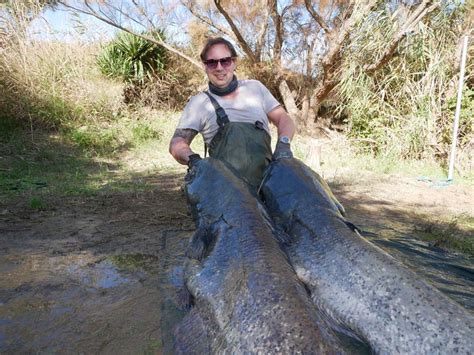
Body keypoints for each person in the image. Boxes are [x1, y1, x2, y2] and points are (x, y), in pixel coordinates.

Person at [169, 37, 295, 189]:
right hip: (228, 191)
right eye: (212, 62)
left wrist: (284, 145)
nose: (219, 67)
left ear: (234, 62)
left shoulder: (255, 88)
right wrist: (195, 161)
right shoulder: (198, 102)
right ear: (205, 66)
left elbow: (283, 118)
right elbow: (177, 143)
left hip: (267, 183)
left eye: (225, 61)